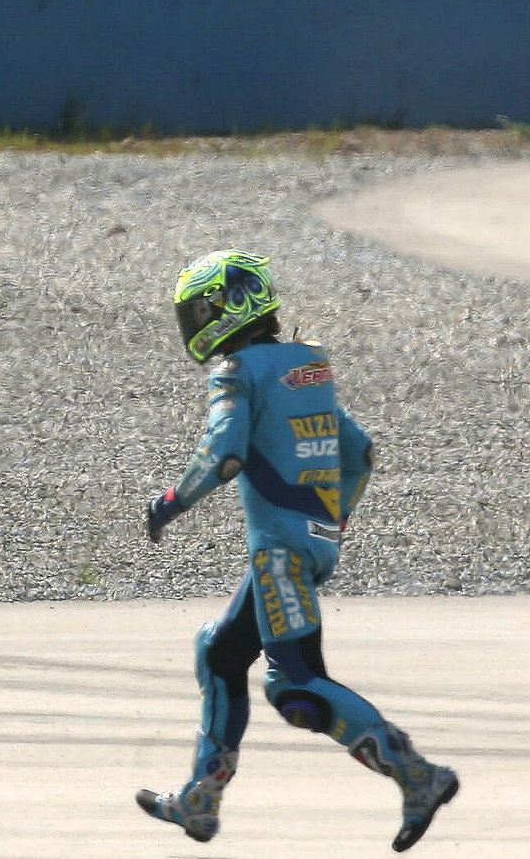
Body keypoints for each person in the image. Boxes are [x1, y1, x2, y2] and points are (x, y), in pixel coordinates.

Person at [135, 250, 458, 853]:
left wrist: (171, 502)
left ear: (230, 306)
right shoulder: (307, 365)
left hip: (279, 553)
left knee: (295, 686)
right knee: (220, 652)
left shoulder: (236, 370)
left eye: (199, 311)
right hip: (307, 543)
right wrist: (332, 523)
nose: (193, 324)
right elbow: (359, 453)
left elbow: (224, 454)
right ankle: (201, 799)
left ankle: (418, 775)